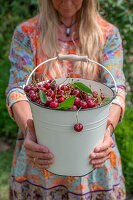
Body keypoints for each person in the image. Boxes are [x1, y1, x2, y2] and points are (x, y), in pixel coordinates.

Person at [6, 0, 126, 199]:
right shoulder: (26, 33)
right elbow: (18, 89)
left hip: (93, 150)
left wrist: (107, 130)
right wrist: (30, 130)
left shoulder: (108, 34)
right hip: (42, 150)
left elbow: (117, 89)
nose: (67, 1)